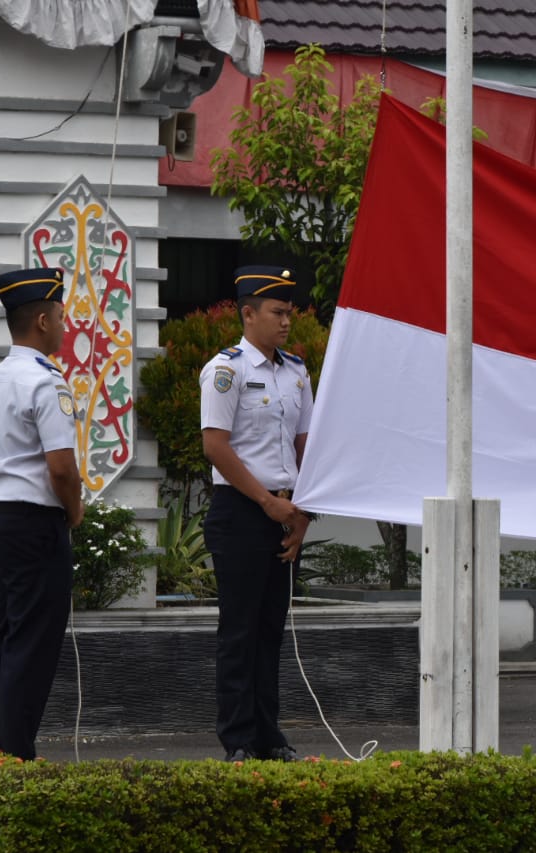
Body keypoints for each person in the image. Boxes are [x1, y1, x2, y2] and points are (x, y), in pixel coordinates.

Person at [200, 265, 313, 763]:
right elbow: (216, 447)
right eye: (277, 313)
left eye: (289, 313)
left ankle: (269, 735)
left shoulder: (296, 371)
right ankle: (239, 738)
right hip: (243, 510)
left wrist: (302, 512)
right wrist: (268, 503)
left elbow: (306, 443)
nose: (287, 322)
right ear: (248, 314)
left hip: (285, 510)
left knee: (271, 631)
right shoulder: (227, 370)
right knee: (240, 631)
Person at [0, 267, 84, 760]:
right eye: (61, 316)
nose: (65, 325)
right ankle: (17, 755)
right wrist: (75, 511)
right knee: (32, 646)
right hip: (33, 524)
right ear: (41, 320)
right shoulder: (46, 382)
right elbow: (62, 468)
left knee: (7, 639)